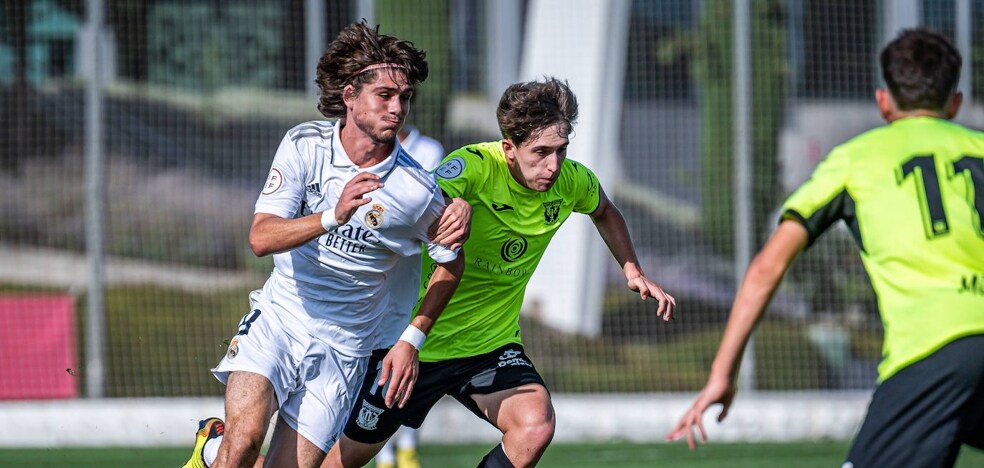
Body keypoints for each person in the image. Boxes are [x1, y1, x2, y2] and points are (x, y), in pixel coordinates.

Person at [666, 28, 984, 467]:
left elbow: (767, 267)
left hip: (934, 345)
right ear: (955, 102)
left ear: (883, 101)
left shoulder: (855, 159)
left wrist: (723, 373)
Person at [324, 77, 677, 468]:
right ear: (509, 148)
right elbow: (418, 199)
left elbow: (604, 210)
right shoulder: (473, 167)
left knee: (535, 425)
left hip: (488, 347)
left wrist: (632, 269)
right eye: (540, 152)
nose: (553, 165)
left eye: (561, 151)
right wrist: (453, 205)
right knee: (343, 461)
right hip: (413, 344)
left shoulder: (573, 180)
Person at [182, 21, 468, 468]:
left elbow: (452, 262)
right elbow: (261, 237)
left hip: (345, 349)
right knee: (244, 443)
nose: (398, 109)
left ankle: (210, 447)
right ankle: (224, 447)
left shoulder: (416, 190)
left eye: (405, 98)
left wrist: (413, 337)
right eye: (385, 96)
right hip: (280, 319)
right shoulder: (304, 145)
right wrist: (333, 216)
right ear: (350, 95)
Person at [370, 125, 446, 468]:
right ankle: (382, 454)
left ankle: (407, 449)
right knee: (374, 371)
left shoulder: (429, 150)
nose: (394, 108)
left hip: (412, 278)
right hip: (371, 283)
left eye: (401, 96)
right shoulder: (354, 151)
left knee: (406, 366)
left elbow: (430, 207)